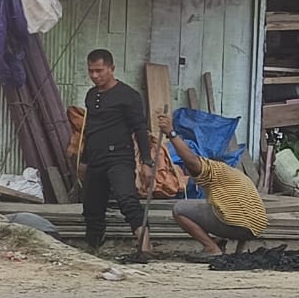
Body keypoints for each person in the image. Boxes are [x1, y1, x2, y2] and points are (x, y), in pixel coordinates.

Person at [158, 113, 270, 263]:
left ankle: (211, 248)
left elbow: (191, 160)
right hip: (255, 227)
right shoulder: (233, 175)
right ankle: (221, 245)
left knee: (180, 209)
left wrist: (171, 133)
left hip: (239, 223)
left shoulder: (214, 169)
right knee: (213, 208)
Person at [78, 49, 155, 261]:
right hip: (95, 158)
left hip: (119, 157)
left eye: (99, 71)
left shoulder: (128, 96)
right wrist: (83, 160)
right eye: (91, 71)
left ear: (111, 69)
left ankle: (145, 248)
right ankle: (93, 249)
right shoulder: (91, 95)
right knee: (92, 206)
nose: (95, 76)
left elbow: (140, 129)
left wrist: (147, 162)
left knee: (127, 199)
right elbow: (89, 130)